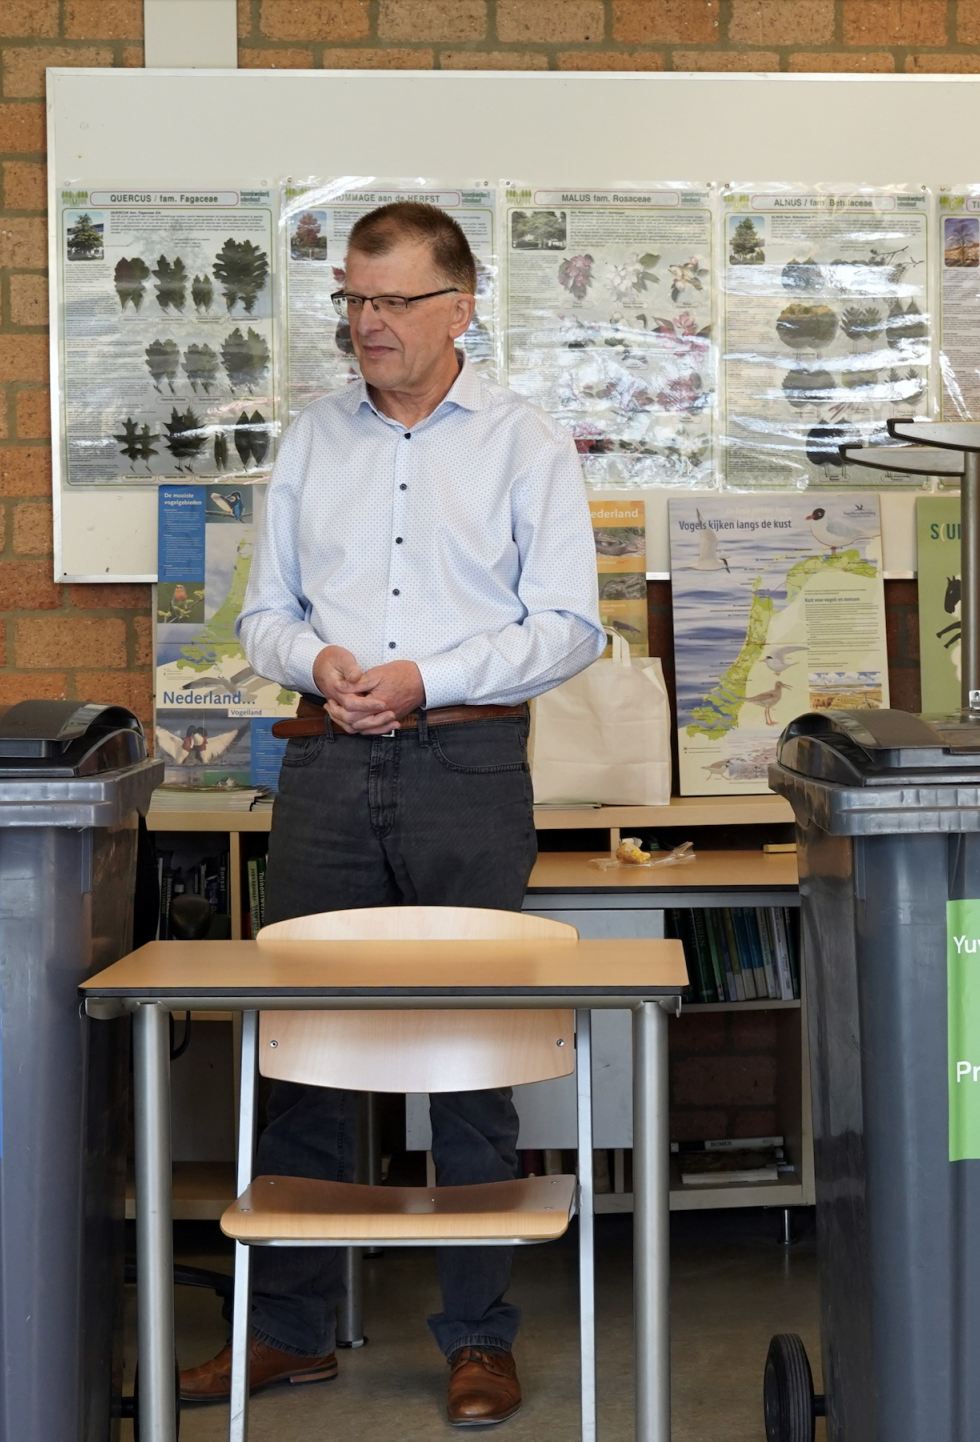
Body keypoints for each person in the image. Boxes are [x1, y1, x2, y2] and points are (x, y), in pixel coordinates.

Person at [196, 202, 602, 1426]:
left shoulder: (526, 445)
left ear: (460, 306)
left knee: (474, 1061)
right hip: (323, 766)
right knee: (302, 1050)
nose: (366, 325)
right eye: (353, 304)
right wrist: (316, 661)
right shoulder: (314, 440)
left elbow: (569, 626)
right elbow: (261, 612)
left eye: (391, 302)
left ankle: (478, 1338)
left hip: (467, 767)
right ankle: (289, 1331)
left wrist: (432, 674)